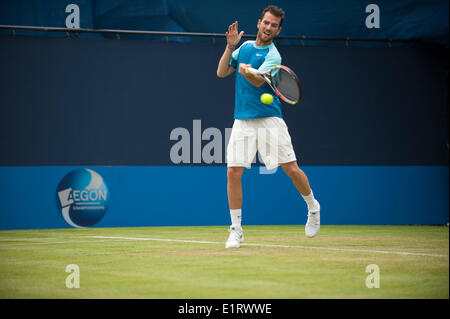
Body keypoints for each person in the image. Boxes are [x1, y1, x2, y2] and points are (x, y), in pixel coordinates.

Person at [216, 5, 321, 248]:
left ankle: (313, 207)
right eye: (266, 23)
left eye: (274, 25)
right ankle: (236, 230)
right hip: (242, 119)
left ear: (278, 30)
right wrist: (230, 47)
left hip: (269, 119)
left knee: (291, 169)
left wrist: (247, 71)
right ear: (259, 23)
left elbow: (255, 81)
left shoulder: (274, 56)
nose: (269, 28)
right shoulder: (244, 48)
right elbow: (222, 72)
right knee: (233, 172)